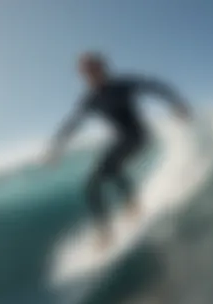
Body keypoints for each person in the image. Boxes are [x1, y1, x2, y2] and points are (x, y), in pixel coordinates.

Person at [47, 52, 192, 248]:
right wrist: (56, 147)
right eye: (86, 72)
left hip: (139, 135)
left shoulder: (121, 85)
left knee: (110, 168)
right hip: (121, 139)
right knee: (91, 185)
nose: (90, 75)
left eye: (93, 69)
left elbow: (155, 86)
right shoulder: (90, 99)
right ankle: (107, 229)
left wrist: (177, 103)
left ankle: (132, 205)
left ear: (102, 68)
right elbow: (73, 123)